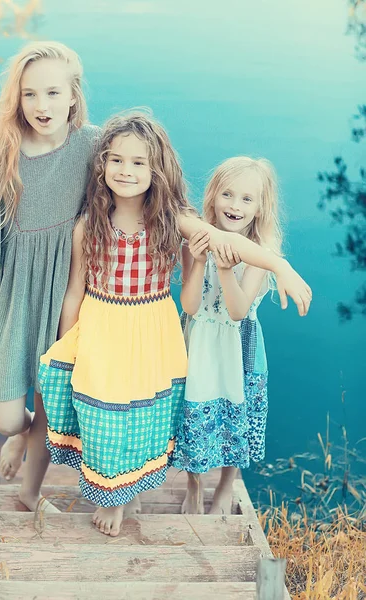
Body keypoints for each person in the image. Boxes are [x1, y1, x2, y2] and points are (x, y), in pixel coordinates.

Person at [39, 115, 312, 537]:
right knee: (102, 415)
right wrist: (65, 347)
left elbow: (230, 242)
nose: (126, 171)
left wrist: (280, 265)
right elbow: (75, 291)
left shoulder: (170, 219)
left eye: (139, 163)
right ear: (102, 166)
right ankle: (111, 492)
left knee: (146, 418)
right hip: (103, 332)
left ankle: (129, 492)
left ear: (157, 170)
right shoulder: (87, 226)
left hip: (151, 332)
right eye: (116, 160)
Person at [0, 41, 100, 512]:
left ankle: (29, 492)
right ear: (17, 99)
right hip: (8, 296)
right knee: (6, 420)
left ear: (72, 95)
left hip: (64, 292)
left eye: (52, 93)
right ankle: (18, 438)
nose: (41, 106)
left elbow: (141, 183)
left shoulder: (91, 146)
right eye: (29, 95)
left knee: (49, 398)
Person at [172, 156, 302, 515]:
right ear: (213, 196)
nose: (235, 205)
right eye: (227, 194)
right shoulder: (195, 239)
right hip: (198, 341)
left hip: (239, 344)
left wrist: (226, 271)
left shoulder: (262, 254)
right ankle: (194, 484)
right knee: (191, 412)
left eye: (247, 199)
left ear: (261, 208)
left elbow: (238, 310)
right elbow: (190, 305)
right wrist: (199, 261)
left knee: (237, 415)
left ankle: (227, 484)